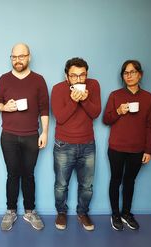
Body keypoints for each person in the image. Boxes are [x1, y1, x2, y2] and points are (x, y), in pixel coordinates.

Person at [0, 43, 49, 231]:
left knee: (29, 174)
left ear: (29, 57)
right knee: (12, 174)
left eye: (21, 56)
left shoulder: (39, 80)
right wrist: (4, 107)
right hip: (8, 136)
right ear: (11, 58)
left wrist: (45, 132)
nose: (18, 60)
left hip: (32, 136)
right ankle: (10, 211)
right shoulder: (4, 79)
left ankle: (30, 211)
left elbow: (44, 109)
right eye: (14, 57)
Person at [103, 60, 151, 231]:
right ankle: (115, 214)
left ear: (140, 74)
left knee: (130, 181)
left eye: (133, 72)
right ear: (122, 76)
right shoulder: (115, 95)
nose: (129, 75)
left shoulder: (148, 97)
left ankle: (126, 213)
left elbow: (150, 126)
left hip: (137, 148)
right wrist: (118, 111)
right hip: (117, 147)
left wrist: (148, 150)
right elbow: (106, 119)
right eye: (126, 73)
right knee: (115, 180)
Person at [51, 57, 101, 231]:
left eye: (82, 75)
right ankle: (61, 212)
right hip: (63, 145)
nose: (79, 80)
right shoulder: (57, 89)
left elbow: (95, 113)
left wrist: (85, 100)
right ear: (67, 77)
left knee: (87, 185)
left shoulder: (93, 85)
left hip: (88, 145)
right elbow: (60, 118)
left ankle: (82, 212)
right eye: (74, 76)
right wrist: (74, 100)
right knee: (61, 184)